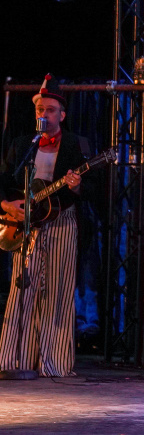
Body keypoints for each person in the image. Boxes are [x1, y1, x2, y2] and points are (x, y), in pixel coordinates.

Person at [0, 74, 88, 377]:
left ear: (61, 114)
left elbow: (93, 190)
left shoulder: (77, 144)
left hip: (62, 221)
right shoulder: (22, 144)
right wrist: (7, 205)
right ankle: (16, 360)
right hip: (26, 225)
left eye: (50, 109)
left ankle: (54, 362)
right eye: (40, 109)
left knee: (58, 290)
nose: (44, 114)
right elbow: (3, 182)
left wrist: (75, 187)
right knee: (22, 288)